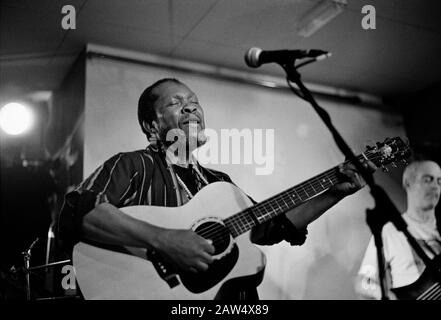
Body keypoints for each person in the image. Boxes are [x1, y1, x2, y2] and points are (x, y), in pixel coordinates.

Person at [57, 78, 372, 300]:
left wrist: (336, 191)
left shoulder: (220, 183)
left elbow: (274, 227)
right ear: (152, 126)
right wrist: (163, 240)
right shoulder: (131, 165)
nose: (192, 108)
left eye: (194, 102)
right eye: (176, 103)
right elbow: (80, 212)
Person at [355, 160, 441, 300]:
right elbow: (364, 281)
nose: (435, 187)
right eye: (428, 180)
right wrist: (387, 296)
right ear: (408, 183)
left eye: (439, 181)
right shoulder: (390, 231)